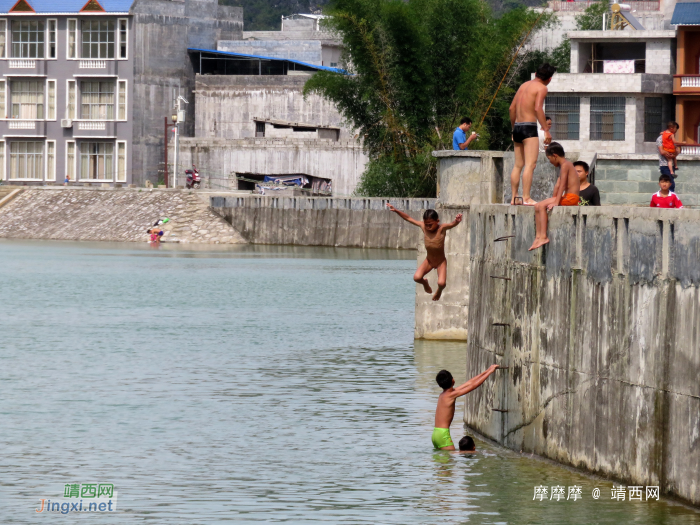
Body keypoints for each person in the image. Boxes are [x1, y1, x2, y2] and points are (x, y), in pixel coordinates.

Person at [386, 204, 462, 301]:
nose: (428, 227)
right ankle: (425, 283)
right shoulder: (423, 226)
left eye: (430, 224)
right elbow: (408, 218)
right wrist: (396, 210)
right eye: (426, 224)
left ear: (437, 221)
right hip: (429, 261)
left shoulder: (442, 228)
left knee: (442, 283)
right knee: (417, 278)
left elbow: (452, 224)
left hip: (440, 262)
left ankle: (439, 291)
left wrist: (457, 221)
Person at [509, 63, 556, 205]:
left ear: (536, 73)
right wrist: (546, 130)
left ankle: (514, 198)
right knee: (530, 164)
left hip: (517, 126)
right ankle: (526, 197)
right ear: (549, 79)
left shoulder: (523, 85)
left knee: (518, 165)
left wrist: (513, 128)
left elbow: (512, 108)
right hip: (529, 127)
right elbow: (537, 109)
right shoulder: (542, 88)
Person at [432, 366, 501, 450]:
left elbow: (469, 383)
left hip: (435, 434)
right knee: (452, 459)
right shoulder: (451, 395)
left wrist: (488, 370)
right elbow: (473, 385)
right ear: (453, 380)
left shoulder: (444, 395)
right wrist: (489, 373)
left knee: (442, 461)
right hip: (443, 434)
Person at [528, 142, 579, 251]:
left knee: (541, 206)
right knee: (537, 206)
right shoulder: (564, 166)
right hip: (568, 197)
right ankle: (538, 237)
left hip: (571, 198)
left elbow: (563, 184)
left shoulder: (566, 165)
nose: (550, 162)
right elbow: (557, 184)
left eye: (549, 158)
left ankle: (544, 237)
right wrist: (553, 198)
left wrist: (556, 201)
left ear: (555, 156)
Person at [657, 125, 678, 192]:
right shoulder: (660, 138)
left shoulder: (672, 139)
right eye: (675, 129)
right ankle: (668, 199)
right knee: (668, 183)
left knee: (671, 183)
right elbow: (662, 152)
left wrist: (674, 154)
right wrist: (670, 155)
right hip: (664, 164)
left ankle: (670, 198)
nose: (675, 131)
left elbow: (677, 150)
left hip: (671, 165)